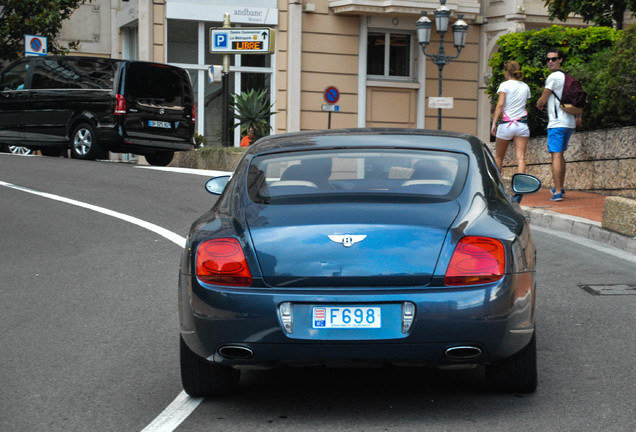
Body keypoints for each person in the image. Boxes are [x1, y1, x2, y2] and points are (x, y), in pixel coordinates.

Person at [536, 48, 582, 202]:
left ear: (560, 60)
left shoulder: (554, 77)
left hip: (556, 123)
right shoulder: (567, 77)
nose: (550, 62)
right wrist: (579, 115)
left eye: (554, 59)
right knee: (560, 155)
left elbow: (543, 98)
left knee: (555, 156)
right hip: (569, 123)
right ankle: (560, 187)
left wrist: (539, 103)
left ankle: (557, 191)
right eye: (548, 59)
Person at [490, 60, 531, 173]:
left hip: (506, 125)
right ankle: (520, 188)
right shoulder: (525, 86)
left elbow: (500, 104)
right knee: (521, 158)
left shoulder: (504, 85)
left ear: (507, 72)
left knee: (499, 157)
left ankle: (498, 186)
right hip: (521, 125)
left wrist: (494, 122)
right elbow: (524, 104)